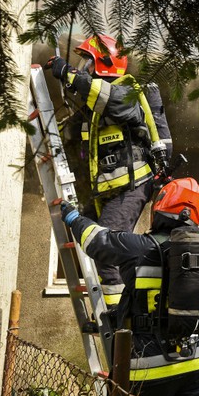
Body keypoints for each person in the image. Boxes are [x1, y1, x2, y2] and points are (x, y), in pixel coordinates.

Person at [60, 177, 199, 396]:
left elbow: (97, 241)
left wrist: (72, 217)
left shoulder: (140, 247)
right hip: (197, 364)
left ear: (160, 208)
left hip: (151, 367)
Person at [45, 34, 172, 311]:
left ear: (105, 64)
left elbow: (106, 97)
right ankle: (122, 306)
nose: (84, 67)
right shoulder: (97, 109)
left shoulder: (126, 92)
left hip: (133, 185)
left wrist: (69, 73)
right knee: (87, 233)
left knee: (107, 248)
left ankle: (117, 317)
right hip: (109, 190)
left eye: (87, 62)